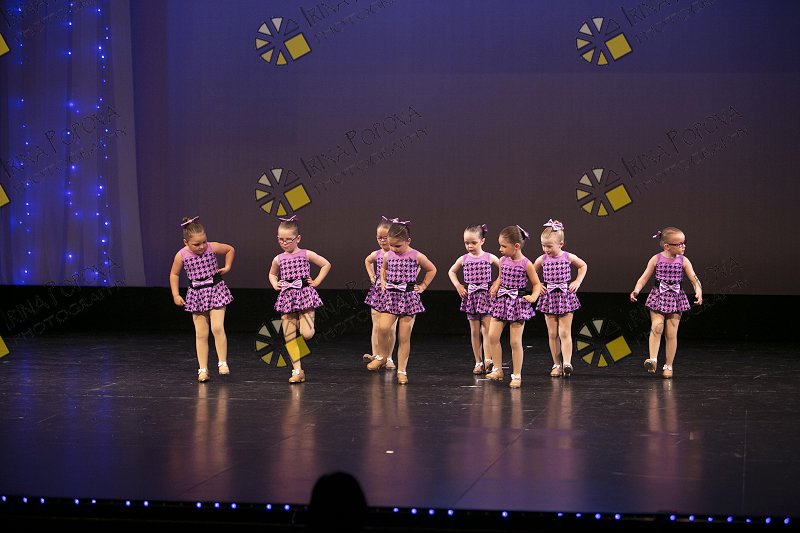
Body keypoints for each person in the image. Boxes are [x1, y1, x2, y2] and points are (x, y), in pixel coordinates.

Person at [366, 219, 437, 384]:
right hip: (391, 297)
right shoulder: (387, 254)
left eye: (397, 246)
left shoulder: (417, 255)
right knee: (383, 328)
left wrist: (423, 285)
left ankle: (402, 370)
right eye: (391, 245)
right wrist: (383, 281)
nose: (393, 249)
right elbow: (383, 267)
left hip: (408, 298)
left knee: (403, 337)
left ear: (408, 241)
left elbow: (432, 269)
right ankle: (382, 356)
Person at [630, 227, 702, 379]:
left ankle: (668, 365)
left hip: (676, 298)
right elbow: (644, 277)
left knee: (671, 333)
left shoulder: (684, 261)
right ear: (667, 246)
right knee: (656, 326)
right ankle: (653, 360)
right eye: (679, 244)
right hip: (659, 296)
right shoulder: (656, 259)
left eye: (684, 243)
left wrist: (698, 291)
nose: (683, 246)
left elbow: (694, 279)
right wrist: (636, 290)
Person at [169, 216, 235, 382]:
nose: (201, 246)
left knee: (217, 327)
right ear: (186, 242)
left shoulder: (212, 247)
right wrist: (176, 294)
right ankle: (203, 369)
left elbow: (229, 249)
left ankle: (222, 362)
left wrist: (227, 267)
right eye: (196, 244)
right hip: (197, 295)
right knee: (201, 334)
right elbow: (174, 274)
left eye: (203, 242)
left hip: (215, 290)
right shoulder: (181, 255)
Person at [268, 215, 331, 383]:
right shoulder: (278, 258)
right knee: (289, 336)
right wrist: (274, 283)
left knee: (307, 334)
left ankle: (301, 325)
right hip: (287, 296)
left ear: (298, 238)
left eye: (288, 239)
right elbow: (272, 273)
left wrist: (316, 281)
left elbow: (326, 264)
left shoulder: (306, 254)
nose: (284, 243)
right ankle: (297, 370)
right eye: (281, 239)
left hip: (304, 294)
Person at [486, 225, 542, 389]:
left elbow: (536, 283)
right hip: (501, 301)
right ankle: (497, 370)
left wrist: (533, 296)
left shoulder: (526, 264)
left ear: (516, 246)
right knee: (492, 336)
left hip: (517, 303)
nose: (500, 249)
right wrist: (496, 285)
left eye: (504, 246)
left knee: (515, 342)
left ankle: (517, 375)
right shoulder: (502, 260)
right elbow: (501, 277)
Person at [532, 219, 587, 378]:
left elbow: (583, 266)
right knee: (552, 333)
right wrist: (538, 285)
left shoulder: (568, 257)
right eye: (543, 245)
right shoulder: (542, 259)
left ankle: (567, 363)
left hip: (565, 297)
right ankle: (556, 364)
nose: (546, 249)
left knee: (564, 332)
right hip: (549, 297)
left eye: (549, 246)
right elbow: (532, 272)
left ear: (561, 244)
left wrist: (577, 281)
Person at [447, 223, 501, 375]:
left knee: (487, 329)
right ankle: (478, 361)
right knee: (475, 331)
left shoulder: (489, 257)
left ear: (482, 241)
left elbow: (504, 268)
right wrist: (458, 285)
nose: (470, 246)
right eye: (466, 243)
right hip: (471, 297)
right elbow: (451, 271)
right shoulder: (464, 258)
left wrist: (497, 283)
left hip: (486, 296)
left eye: (473, 242)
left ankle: (488, 359)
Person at [362, 216, 396, 370]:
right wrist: (372, 276)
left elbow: (418, 265)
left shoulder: (398, 254)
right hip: (378, 292)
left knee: (390, 328)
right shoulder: (376, 254)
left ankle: (388, 357)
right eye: (379, 238)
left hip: (394, 293)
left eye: (385, 237)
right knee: (376, 325)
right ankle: (376, 356)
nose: (382, 241)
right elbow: (367, 261)